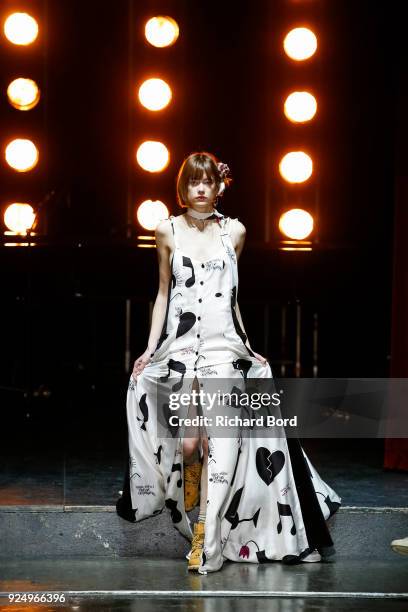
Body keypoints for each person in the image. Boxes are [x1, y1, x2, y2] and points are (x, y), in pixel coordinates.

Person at [116, 151, 341, 574]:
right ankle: (196, 518)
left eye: (207, 181)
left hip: (223, 350)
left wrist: (247, 345)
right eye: (193, 182)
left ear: (219, 185)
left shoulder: (234, 231)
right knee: (187, 444)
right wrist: (150, 349)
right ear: (183, 186)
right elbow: (163, 293)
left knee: (219, 444)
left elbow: (232, 295)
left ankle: (209, 540)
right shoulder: (167, 230)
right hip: (181, 352)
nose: (200, 189)